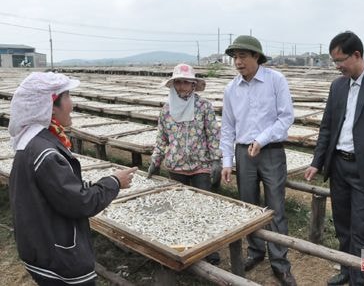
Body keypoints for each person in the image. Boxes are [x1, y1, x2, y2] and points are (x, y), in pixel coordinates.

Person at [8, 72, 137, 286]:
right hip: (57, 255)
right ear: (50, 106)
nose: (72, 104)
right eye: (67, 97)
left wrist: (92, 184)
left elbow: (56, 191)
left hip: (39, 244)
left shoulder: (32, 142)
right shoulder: (45, 152)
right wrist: (114, 182)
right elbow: (79, 202)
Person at [304, 31, 364, 286]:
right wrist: (317, 161)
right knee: (343, 225)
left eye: (341, 60)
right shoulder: (338, 85)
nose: (337, 66)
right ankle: (347, 270)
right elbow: (327, 127)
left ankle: (361, 278)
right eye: (334, 61)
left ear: (357, 55)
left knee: (362, 229)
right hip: (339, 166)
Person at [220, 35, 296, 286]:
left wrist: (261, 140)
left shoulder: (276, 81)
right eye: (235, 57)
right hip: (244, 153)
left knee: (275, 207)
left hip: (271, 150)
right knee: (249, 206)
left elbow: (285, 118)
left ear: (256, 57)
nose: (238, 62)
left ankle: (280, 262)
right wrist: (227, 161)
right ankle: (255, 251)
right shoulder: (231, 89)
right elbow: (228, 127)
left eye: (243, 56)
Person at [147, 63, 222, 264]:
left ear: (194, 85)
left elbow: (213, 134)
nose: (182, 87)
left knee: (203, 206)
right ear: (173, 85)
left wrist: (216, 160)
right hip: (176, 165)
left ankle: (209, 249)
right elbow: (162, 138)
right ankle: (186, 245)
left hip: (200, 165)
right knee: (181, 208)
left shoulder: (203, 106)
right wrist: (155, 161)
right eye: (178, 82)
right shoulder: (167, 109)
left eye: (186, 83)